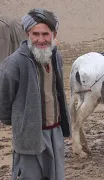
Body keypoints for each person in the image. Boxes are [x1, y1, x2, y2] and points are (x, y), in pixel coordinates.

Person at [0, 8, 70, 180]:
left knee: (55, 175)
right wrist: (20, 122)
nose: (41, 39)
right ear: (27, 33)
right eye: (35, 34)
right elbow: (4, 99)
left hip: (55, 131)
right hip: (29, 135)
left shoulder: (56, 58)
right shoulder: (14, 63)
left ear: (54, 34)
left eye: (45, 34)